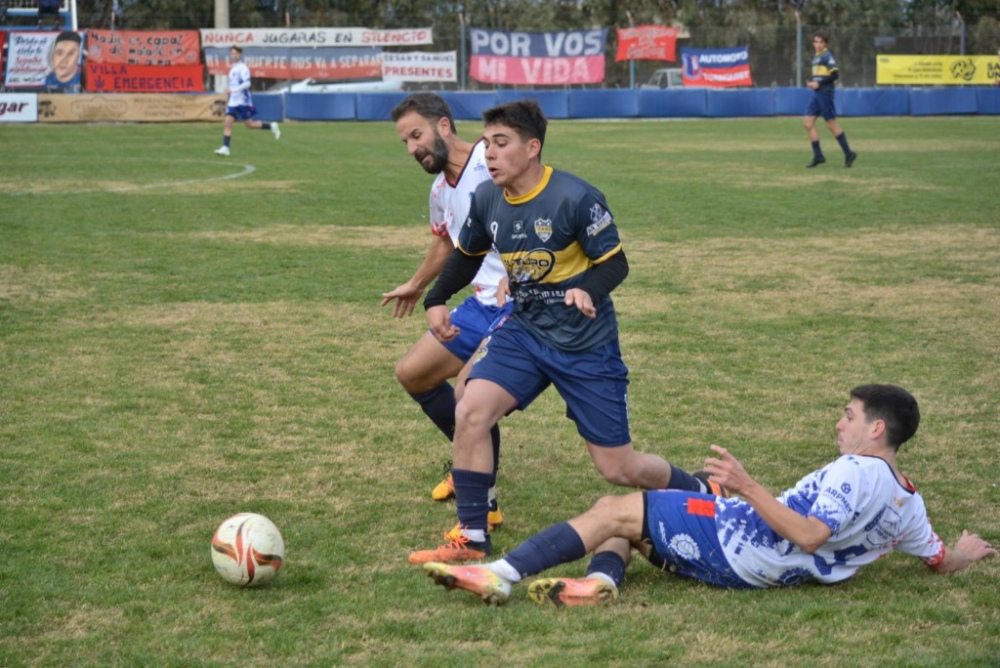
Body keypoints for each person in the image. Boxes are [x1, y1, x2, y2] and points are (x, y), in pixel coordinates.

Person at [408, 99, 713, 566]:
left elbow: (615, 263)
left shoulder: (574, 197)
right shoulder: (488, 197)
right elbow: (467, 255)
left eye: (501, 144)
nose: (488, 154)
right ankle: (472, 535)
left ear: (532, 148)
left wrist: (587, 289)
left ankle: (701, 490)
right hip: (525, 329)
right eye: (486, 143)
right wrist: (434, 300)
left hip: (583, 342)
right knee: (470, 406)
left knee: (618, 468)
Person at [420, 384, 996, 606]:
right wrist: (965, 554)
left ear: (877, 430)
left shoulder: (855, 471)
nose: (839, 425)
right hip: (766, 566)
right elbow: (938, 559)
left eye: (848, 417)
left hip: (740, 541)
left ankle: (501, 572)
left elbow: (811, 532)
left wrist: (746, 487)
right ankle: (598, 584)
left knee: (616, 507)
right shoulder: (908, 501)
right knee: (626, 517)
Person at [383, 93, 511, 530]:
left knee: (468, 392)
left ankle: (484, 497)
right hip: (479, 301)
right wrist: (418, 286)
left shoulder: (490, 161)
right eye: (404, 142)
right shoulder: (440, 190)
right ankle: (469, 461)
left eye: (416, 136)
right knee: (413, 373)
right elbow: (445, 241)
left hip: (518, 302)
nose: (411, 149)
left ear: (442, 126)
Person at [804, 31, 857, 169]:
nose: (818, 44)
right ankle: (818, 155)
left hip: (825, 93)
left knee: (831, 124)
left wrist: (819, 84)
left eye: (821, 42)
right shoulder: (816, 57)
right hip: (817, 93)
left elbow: (835, 75)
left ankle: (849, 153)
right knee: (808, 123)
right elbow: (821, 76)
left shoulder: (827, 55)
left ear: (825, 44)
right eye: (816, 41)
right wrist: (813, 83)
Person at [214, 46, 279, 157]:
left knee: (249, 125)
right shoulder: (232, 69)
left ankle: (272, 126)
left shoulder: (243, 68)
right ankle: (226, 148)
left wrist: (233, 90)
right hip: (234, 101)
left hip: (243, 101)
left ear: (240, 55)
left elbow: (247, 84)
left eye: (236, 53)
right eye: (232, 53)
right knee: (228, 123)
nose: (234, 55)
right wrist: (230, 91)